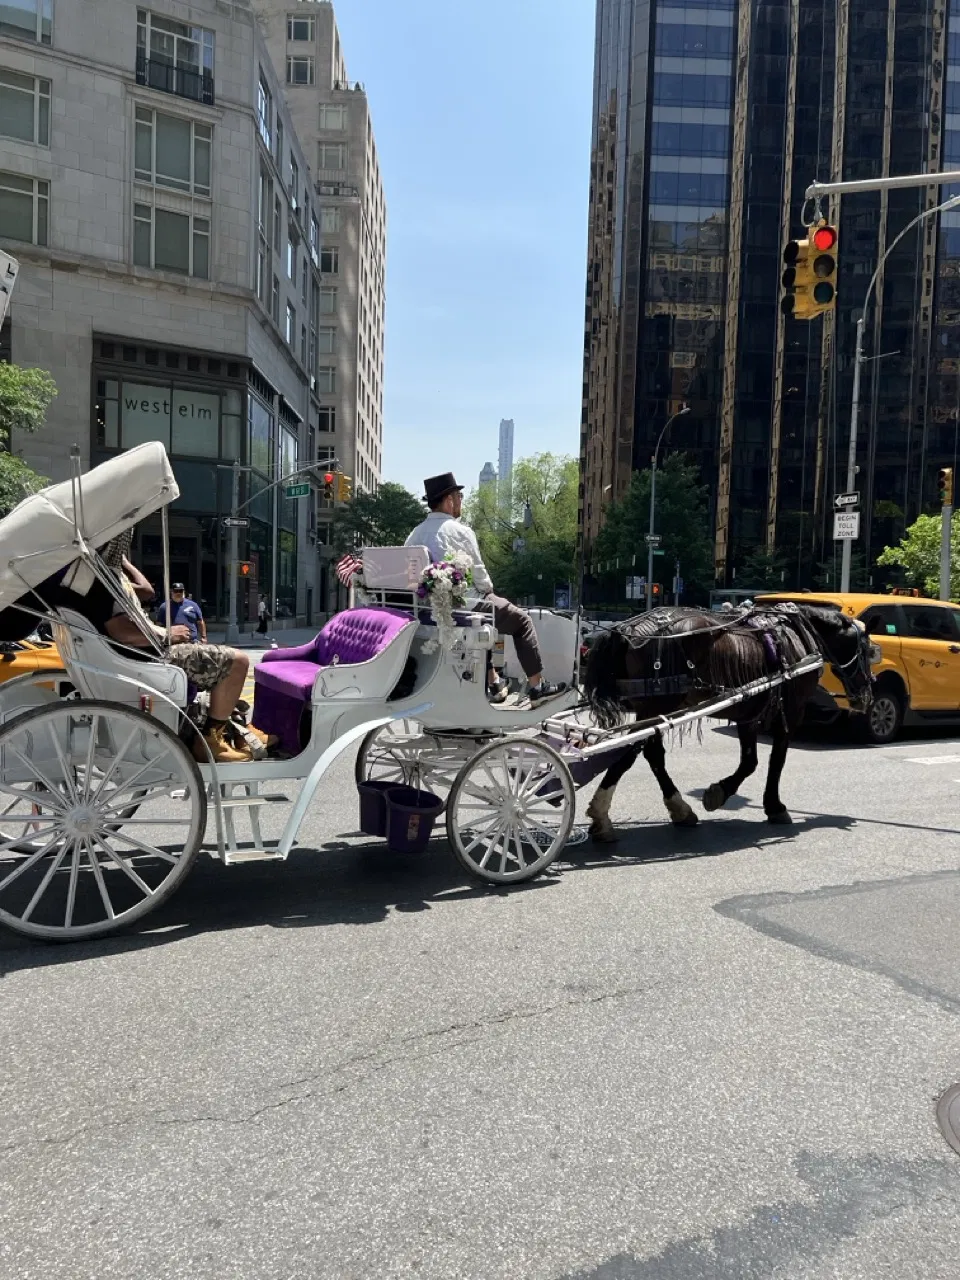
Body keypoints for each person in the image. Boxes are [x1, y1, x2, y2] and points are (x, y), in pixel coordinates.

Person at [405, 472, 565, 706]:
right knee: (521, 622)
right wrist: (489, 590)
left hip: (428, 611)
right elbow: (480, 577)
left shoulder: (414, 535)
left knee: (484, 621)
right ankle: (537, 686)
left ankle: (495, 683)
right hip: (465, 606)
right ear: (449, 500)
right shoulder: (460, 531)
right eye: (459, 496)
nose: (461, 501)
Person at [89, 536, 251, 763]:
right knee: (238, 662)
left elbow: (146, 591)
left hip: (146, 651)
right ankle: (211, 742)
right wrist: (167, 634)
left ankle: (228, 727)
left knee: (218, 660)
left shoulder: (104, 577)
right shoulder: (100, 582)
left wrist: (123, 562)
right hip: (149, 655)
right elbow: (119, 630)